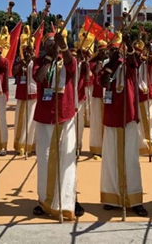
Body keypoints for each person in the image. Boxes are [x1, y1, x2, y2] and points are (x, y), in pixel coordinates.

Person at [32, 32, 84, 220]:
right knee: (45, 160)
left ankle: (69, 200)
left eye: (55, 42)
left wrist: (63, 47)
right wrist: (48, 58)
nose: (53, 45)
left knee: (66, 159)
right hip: (45, 116)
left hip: (65, 115)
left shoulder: (68, 59)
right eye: (49, 43)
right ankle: (45, 201)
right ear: (44, 46)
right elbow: (39, 78)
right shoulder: (39, 62)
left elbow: (71, 65)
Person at [99, 37, 148, 217]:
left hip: (128, 116)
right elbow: (104, 81)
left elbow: (135, 60)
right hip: (112, 117)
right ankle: (112, 197)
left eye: (117, 50)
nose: (115, 53)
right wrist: (112, 63)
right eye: (112, 50)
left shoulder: (130, 64)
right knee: (111, 158)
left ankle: (134, 199)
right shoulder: (107, 66)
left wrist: (128, 45)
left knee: (131, 159)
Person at [12, 45, 37, 155]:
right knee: (21, 120)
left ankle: (32, 144)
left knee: (32, 121)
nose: (27, 54)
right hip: (22, 95)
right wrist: (23, 62)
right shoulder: (21, 63)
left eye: (29, 52)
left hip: (34, 95)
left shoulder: (36, 62)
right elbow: (14, 72)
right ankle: (21, 145)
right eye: (25, 52)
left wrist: (32, 59)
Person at [137, 42, 152, 158]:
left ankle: (150, 148)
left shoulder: (145, 63)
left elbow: (150, 59)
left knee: (148, 122)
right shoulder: (130, 63)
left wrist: (149, 49)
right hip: (134, 96)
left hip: (145, 96)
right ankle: (140, 146)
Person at [89, 41, 108, 158]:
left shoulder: (109, 62)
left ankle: (106, 146)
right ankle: (97, 147)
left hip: (107, 94)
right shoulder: (93, 62)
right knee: (97, 120)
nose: (104, 53)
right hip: (97, 94)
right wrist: (99, 65)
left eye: (105, 51)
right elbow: (95, 72)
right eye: (102, 51)